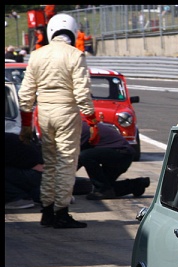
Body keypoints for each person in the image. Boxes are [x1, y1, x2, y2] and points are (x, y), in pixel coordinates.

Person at [18, 13, 98, 229]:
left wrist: (26, 124)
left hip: (44, 113)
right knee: (66, 164)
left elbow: (25, 94)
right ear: (72, 31)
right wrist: (92, 122)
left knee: (50, 163)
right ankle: (61, 212)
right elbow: (82, 93)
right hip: (66, 112)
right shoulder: (75, 55)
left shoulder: (36, 55)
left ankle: (47, 211)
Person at [5, 132, 93, 209]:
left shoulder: (9, 140)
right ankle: (57, 196)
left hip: (36, 173)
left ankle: (17, 198)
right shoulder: (13, 137)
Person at [78, 120, 150, 200]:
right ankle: (136, 185)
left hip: (120, 155)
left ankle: (102, 190)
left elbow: (74, 160)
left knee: (85, 156)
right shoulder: (80, 126)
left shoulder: (79, 131)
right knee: (106, 187)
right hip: (119, 155)